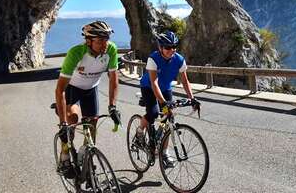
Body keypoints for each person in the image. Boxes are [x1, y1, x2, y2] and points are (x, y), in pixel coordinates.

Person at [55, 20, 122, 175]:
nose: (104, 44)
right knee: (72, 119)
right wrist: (63, 122)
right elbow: (60, 89)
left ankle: (86, 155)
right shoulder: (76, 53)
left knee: (92, 125)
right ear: (88, 41)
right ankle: (64, 155)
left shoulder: (111, 50)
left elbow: (114, 80)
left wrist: (112, 106)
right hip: (73, 89)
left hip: (90, 89)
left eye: (106, 40)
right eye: (100, 41)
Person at [138, 30, 198, 167]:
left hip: (165, 88)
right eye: (168, 47)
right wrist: (163, 104)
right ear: (160, 47)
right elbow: (154, 83)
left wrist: (192, 99)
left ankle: (164, 153)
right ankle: (140, 130)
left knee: (169, 118)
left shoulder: (179, 60)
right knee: (153, 114)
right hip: (148, 87)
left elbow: (185, 81)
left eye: (174, 47)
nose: (172, 50)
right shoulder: (153, 58)